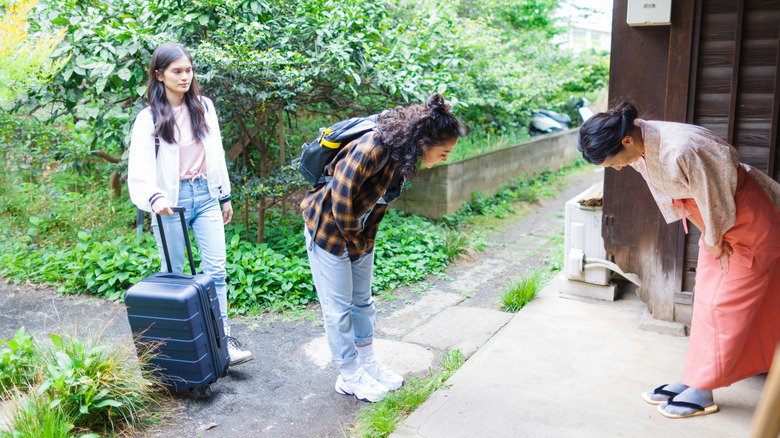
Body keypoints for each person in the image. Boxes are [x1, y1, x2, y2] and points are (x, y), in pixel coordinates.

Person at [578, 102, 780, 418]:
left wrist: (714, 240)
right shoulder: (637, 142)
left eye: (614, 162)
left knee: (725, 307)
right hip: (715, 224)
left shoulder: (680, 149)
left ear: (626, 141)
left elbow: (718, 201)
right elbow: (678, 198)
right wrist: (709, 237)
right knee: (705, 302)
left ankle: (703, 390)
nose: (618, 168)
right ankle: (694, 378)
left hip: (746, 221)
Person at [301, 93, 469, 402]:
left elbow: (376, 206)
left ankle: (366, 363)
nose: (444, 159)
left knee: (363, 301)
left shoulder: (400, 154)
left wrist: (365, 243)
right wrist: (357, 244)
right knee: (339, 311)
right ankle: (349, 376)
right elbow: (340, 202)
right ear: (423, 143)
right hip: (328, 230)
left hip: (357, 232)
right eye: (443, 154)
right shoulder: (371, 149)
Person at [128, 43, 253, 366]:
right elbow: (139, 168)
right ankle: (185, 348)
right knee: (175, 275)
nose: (185, 77)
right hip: (171, 201)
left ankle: (223, 341)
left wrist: (224, 196)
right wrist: (154, 199)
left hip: (206, 196)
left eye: (189, 70)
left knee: (217, 272)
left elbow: (217, 155)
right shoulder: (148, 118)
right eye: (177, 71)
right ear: (159, 75)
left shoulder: (204, 107)